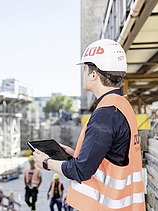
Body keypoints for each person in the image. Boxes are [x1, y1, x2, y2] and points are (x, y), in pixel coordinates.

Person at [33, 39, 145, 210]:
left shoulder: (105, 115)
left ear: (94, 75)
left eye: (84, 69)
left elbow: (81, 171)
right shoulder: (121, 105)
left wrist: (47, 162)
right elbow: (111, 156)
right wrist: (74, 155)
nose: (83, 74)